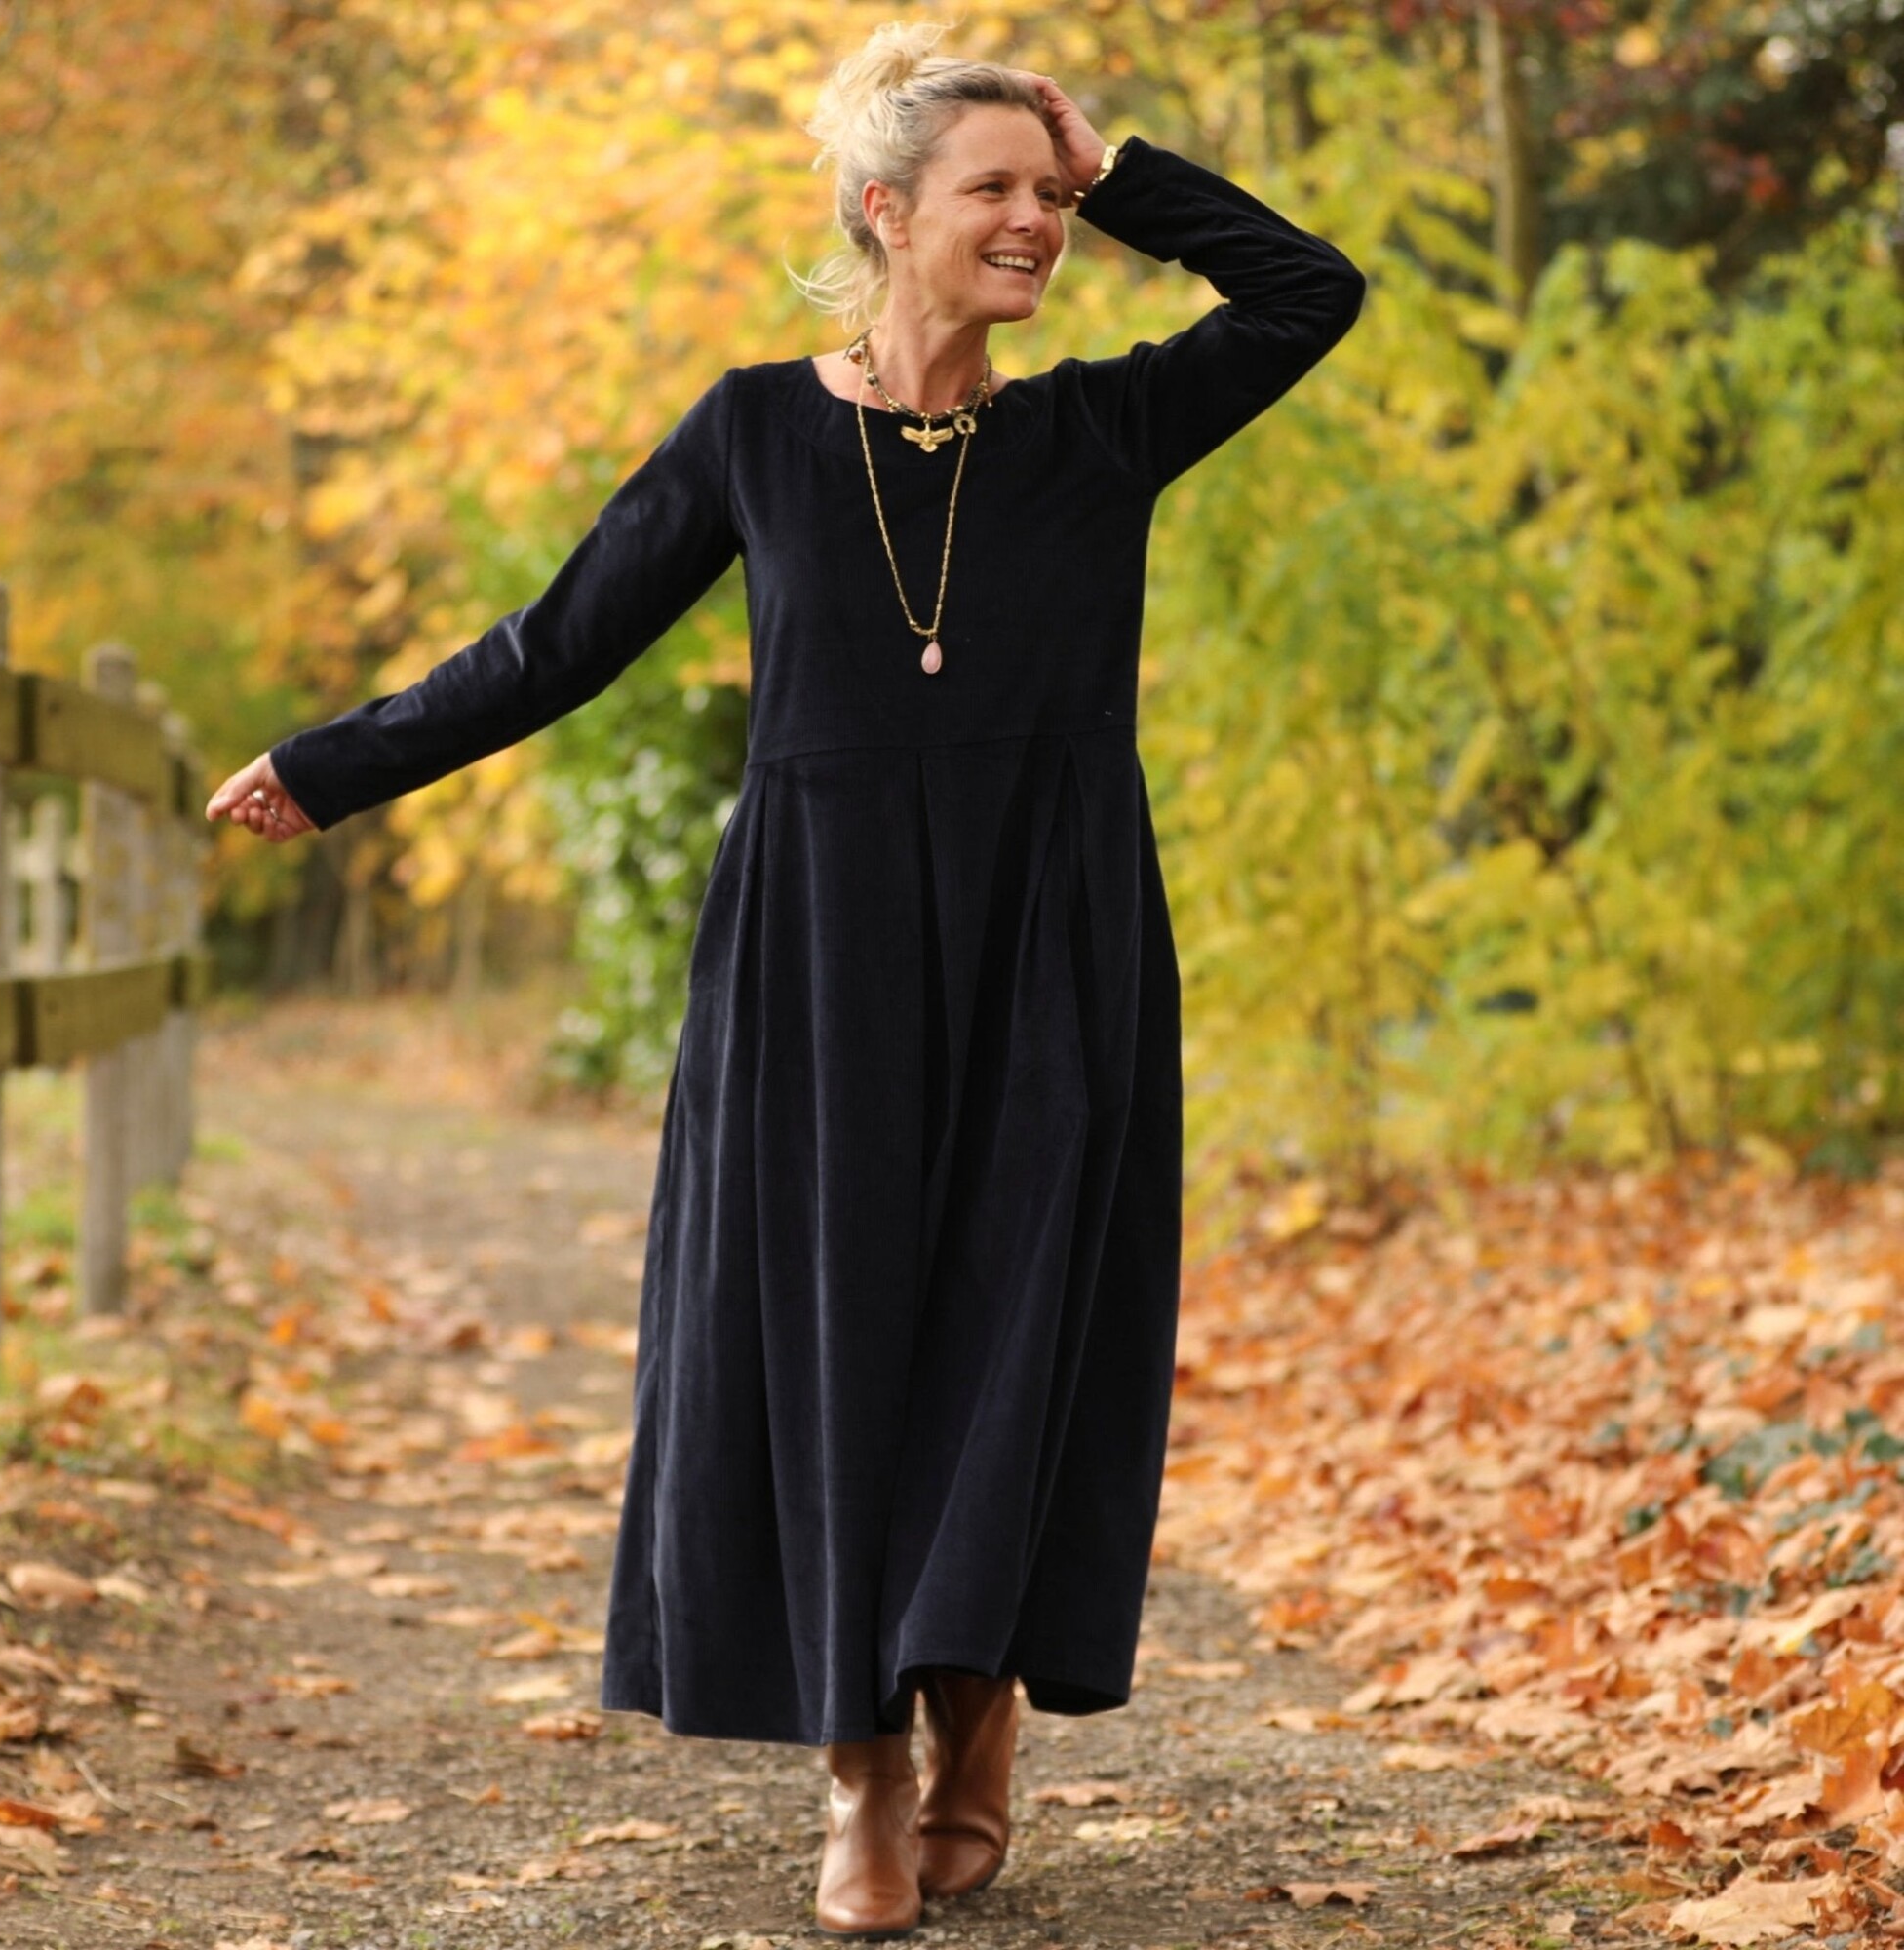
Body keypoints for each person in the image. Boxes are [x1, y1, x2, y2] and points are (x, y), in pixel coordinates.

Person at [208, 20, 1365, 1940]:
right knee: (833, 1342)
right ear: (884, 211)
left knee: (1015, 1328)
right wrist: (338, 765)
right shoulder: (755, 431)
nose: (1034, 222)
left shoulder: (1097, 431)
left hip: (1051, 942)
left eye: (1049, 193)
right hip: (821, 952)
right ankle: (862, 1774)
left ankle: (975, 1702)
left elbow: (1311, 291)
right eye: (993, 190)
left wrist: (1120, 166)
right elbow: (557, 641)